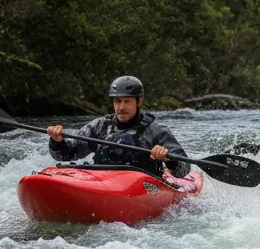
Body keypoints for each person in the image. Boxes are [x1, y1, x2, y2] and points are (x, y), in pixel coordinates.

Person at [46, 75, 190, 178]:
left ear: (139, 102)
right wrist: (57, 141)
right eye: (117, 101)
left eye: (127, 101)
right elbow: (66, 155)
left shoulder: (155, 131)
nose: (121, 107)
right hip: (101, 180)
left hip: (141, 185)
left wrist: (168, 158)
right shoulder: (100, 126)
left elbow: (183, 171)